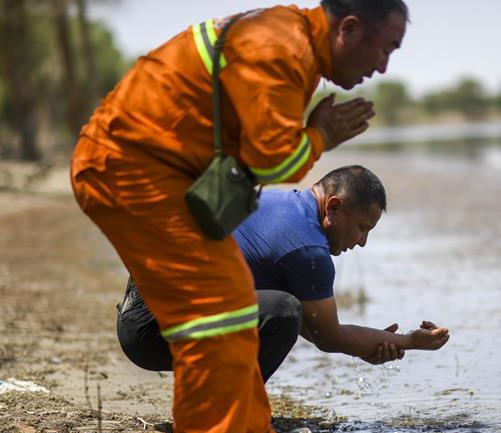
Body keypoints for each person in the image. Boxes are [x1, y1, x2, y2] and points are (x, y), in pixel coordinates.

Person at [70, 0, 409, 433]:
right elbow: (273, 163)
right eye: (386, 46)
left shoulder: (295, 47)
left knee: (231, 297)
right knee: (221, 304)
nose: (383, 66)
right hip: (128, 168)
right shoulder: (284, 48)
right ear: (349, 28)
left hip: (163, 174)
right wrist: (319, 135)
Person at [117, 165, 450, 386]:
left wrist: (371, 343)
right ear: (333, 207)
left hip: (142, 310)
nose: (362, 241)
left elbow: (312, 326)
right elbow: (327, 336)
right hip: (153, 332)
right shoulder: (307, 251)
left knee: (282, 311)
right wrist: (408, 341)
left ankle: (223, 410)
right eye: (363, 227)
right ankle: (232, 423)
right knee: (282, 311)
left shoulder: (273, 200)